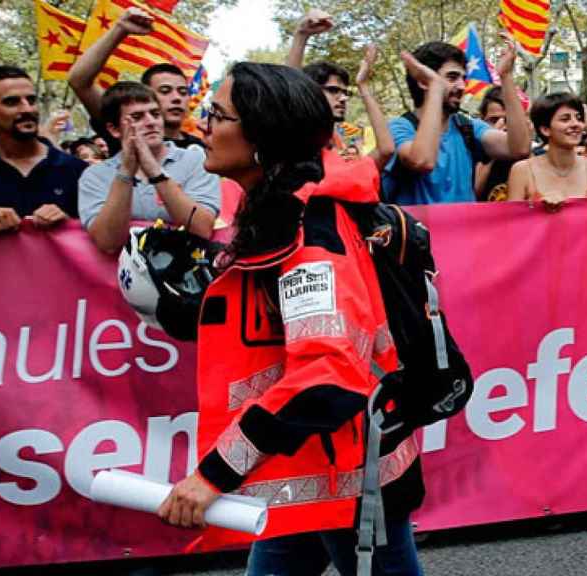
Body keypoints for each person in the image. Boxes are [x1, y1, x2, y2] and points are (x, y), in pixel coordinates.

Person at [156, 61, 424, 576]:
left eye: (216, 114)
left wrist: (214, 473)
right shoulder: (278, 211)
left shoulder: (311, 235)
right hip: (304, 467)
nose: (201, 126)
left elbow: (326, 376)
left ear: (262, 135)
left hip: (348, 478)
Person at [382, 35, 530, 205]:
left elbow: (519, 148)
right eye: (452, 77)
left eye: (463, 78)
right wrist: (436, 89)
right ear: (423, 82)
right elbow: (422, 161)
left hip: (467, 231)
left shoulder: (468, 127)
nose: (462, 86)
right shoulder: (399, 128)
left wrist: (506, 77)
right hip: (419, 231)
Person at [77, 81, 220, 253]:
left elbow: (201, 229)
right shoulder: (94, 176)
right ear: (114, 129)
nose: (151, 122)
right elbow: (108, 243)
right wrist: (126, 172)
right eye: (137, 117)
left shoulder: (196, 160)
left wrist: (154, 170)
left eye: (155, 114)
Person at [68, 6, 204, 154]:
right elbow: (79, 81)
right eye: (165, 91)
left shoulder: (203, 150)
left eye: (183, 92)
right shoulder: (126, 132)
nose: (177, 98)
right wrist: (120, 29)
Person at [0, 66, 86, 232]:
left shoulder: (76, 170)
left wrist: (69, 226)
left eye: (31, 100)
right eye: (11, 102)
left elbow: (101, 238)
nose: (27, 109)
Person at [285, 9, 395, 171]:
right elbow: (288, 94)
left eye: (345, 92)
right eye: (333, 90)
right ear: (310, 93)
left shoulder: (341, 150)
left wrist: (362, 85)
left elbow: (386, 150)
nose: (343, 98)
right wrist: (301, 35)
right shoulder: (298, 143)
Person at [506, 92, 587, 209]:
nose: (576, 124)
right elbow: (512, 221)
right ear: (545, 129)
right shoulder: (522, 170)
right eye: (565, 119)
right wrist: (539, 209)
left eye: (579, 118)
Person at [475, 86, 515, 201]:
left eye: (508, 120)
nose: (503, 126)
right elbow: (474, 193)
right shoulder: (472, 153)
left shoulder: (527, 155)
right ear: (482, 120)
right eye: (494, 120)